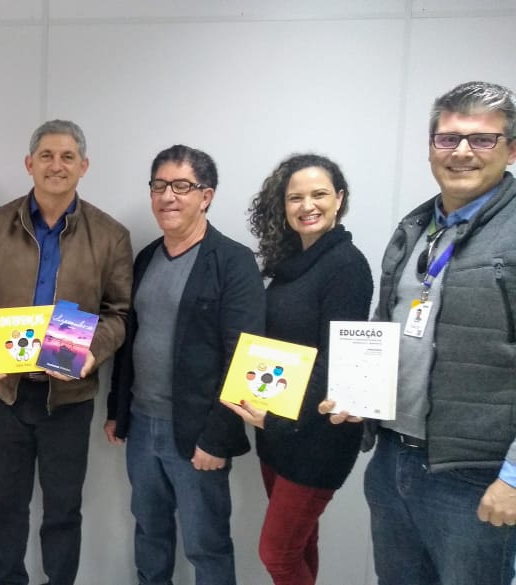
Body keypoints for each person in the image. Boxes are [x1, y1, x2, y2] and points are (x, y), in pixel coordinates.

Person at [320, 81, 516, 584]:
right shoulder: (417, 227)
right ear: (431, 148)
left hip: (476, 476)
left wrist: (514, 478)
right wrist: (360, 394)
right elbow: (394, 325)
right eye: (448, 138)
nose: (463, 151)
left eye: (483, 139)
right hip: (393, 460)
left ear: (511, 149)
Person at [0, 119, 133, 585]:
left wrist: (94, 351)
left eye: (68, 156)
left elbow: (118, 313)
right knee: (7, 507)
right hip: (6, 393)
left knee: (63, 510)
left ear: (84, 166)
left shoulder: (111, 235)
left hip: (69, 399)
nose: (57, 165)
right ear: (29, 163)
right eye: (47, 156)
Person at [105, 145, 265, 585]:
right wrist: (117, 411)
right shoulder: (146, 257)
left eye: (181, 186)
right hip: (142, 426)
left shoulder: (233, 262)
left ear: (206, 196)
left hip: (197, 432)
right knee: (149, 535)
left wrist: (217, 437)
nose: (167, 196)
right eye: (159, 186)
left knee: (206, 547)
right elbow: (129, 341)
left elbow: (245, 357)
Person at [222, 154, 372, 585]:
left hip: (317, 435)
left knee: (277, 553)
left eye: (319, 194)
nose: (307, 205)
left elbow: (335, 360)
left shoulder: (346, 265)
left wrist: (279, 420)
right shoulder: (290, 265)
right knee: (300, 545)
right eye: (295, 197)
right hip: (278, 430)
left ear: (339, 199)